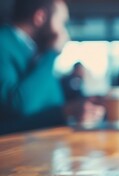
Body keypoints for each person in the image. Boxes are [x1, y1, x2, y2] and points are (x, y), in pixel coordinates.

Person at [0, 0, 105, 135]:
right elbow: (16, 107)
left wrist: (76, 110)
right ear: (40, 17)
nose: (64, 32)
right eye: (62, 22)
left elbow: (49, 103)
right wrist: (52, 53)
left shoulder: (34, 50)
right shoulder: (3, 43)